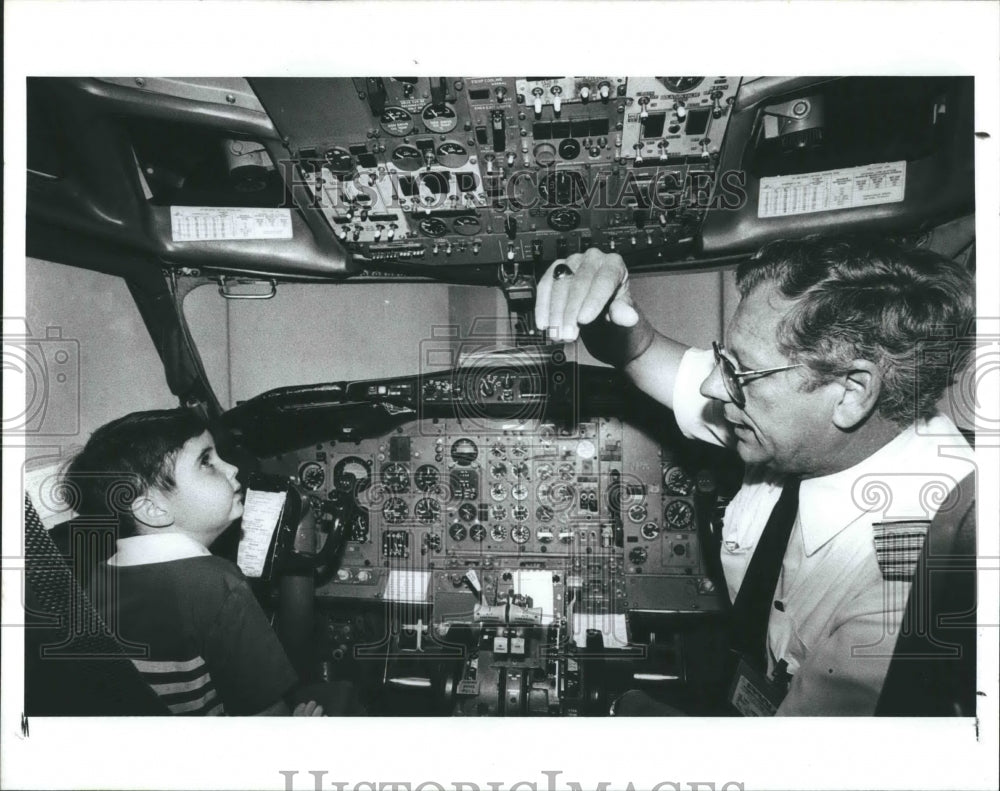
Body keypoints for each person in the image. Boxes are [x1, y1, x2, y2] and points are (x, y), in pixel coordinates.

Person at [535, 237, 976, 715]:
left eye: (739, 372)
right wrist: (611, 312)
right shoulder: (806, 421)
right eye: (723, 360)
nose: (712, 386)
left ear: (853, 392)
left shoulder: (913, 584)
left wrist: (622, 709)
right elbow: (643, 352)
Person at [63, 408, 325, 716]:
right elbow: (266, 717)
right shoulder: (217, 584)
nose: (231, 469)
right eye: (206, 462)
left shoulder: (96, 577)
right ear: (153, 509)